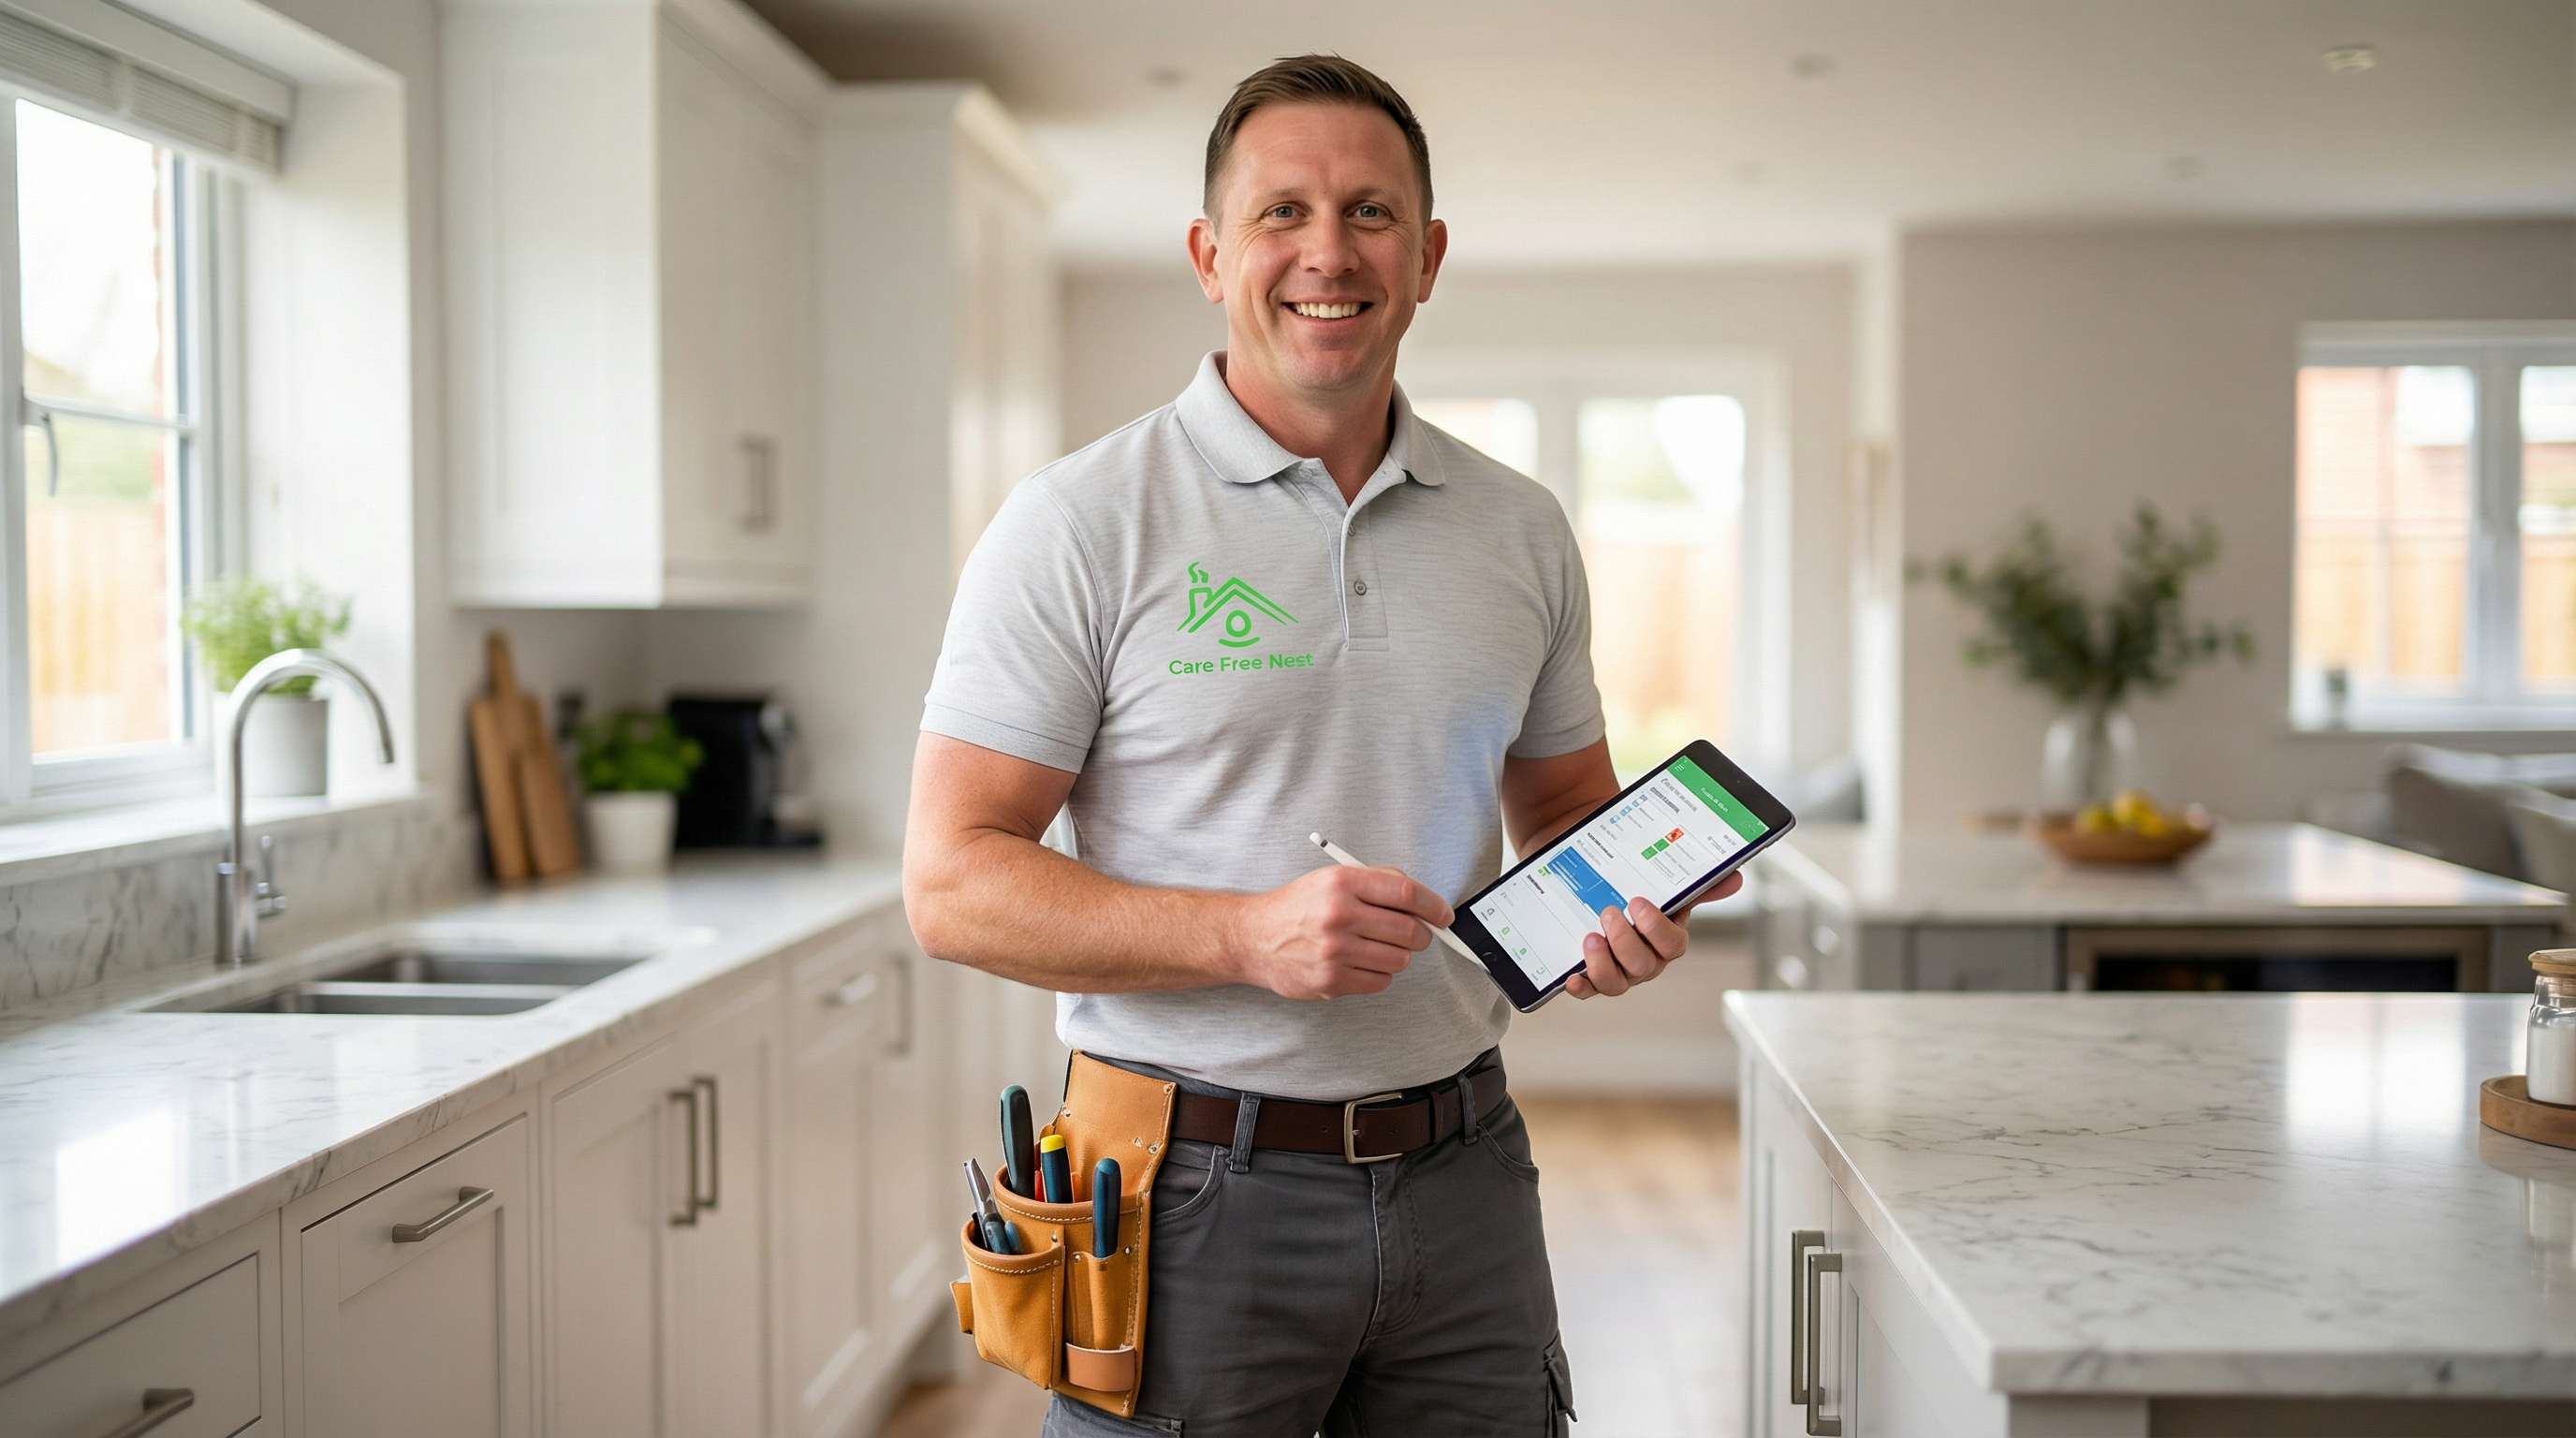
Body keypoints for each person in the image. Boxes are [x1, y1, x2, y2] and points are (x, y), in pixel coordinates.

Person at [904, 53, 1734, 1438]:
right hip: (1177, 1196)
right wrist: (1244, 938)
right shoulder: (1079, 522)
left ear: (1428, 257)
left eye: (1370, 212)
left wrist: (1621, 917)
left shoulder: (1520, 529)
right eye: (1282, 212)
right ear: (1209, 252)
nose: (1327, 252)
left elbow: (1567, 820)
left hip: (1467, 1174)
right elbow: (948, 884)